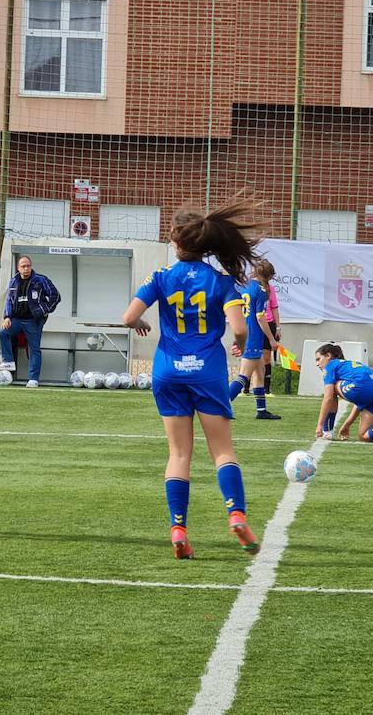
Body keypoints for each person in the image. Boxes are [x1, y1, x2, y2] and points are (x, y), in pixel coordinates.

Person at [120, 200, 263, 560]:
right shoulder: (221, 282)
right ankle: (236, 514)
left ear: (175, 241)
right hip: (207, 371)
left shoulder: (160, 277)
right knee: (223, 451)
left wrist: (138, 323)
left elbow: (128, 317)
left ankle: (179, 529)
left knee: (179, 453)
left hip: (168, 372)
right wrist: (240, 344)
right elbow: (240, 328)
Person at [311, 343, 373, 444]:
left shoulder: (330, 366)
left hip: (362, 386)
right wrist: (347, 425)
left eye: (318, 359)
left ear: (328, 356)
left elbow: (328, 397)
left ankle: (327, 431)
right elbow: (359, 401)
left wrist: (319, 425)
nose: (317, 364)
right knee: (364, 436)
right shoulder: (349, 366)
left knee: (331, 390)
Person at [0, 256, 61, 388]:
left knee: (34, 349)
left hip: (33, 321)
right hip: (17, 320)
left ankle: (33, 379)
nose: (26, 269)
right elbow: (9, 300)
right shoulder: (13, 282)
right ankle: (8, 361)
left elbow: (56, 296)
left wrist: (45, 309)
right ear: (18, 268)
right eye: (23, 266)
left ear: (31, 266)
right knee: (3, 332)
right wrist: (7, 317)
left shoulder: (40, 280)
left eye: (28, 266)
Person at [227, 259, 280, 419]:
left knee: (260, 370)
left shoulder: (244, 286)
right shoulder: (262, 291)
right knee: (244, 374)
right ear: (268, 276)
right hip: (254, 336)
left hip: (245, 332)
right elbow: (260, 317)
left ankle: (261, 410)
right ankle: (221, 406)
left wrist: (237, 337)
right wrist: (271, 339)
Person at [261, 259, 281, 385]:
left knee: (266, 357)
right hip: (256, 324)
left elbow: (274, 308)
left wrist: (278, 327)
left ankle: (266, 388)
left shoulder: (270, 289)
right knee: (251, 355)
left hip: (269, 323)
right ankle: (245, 388)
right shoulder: (253, 288)